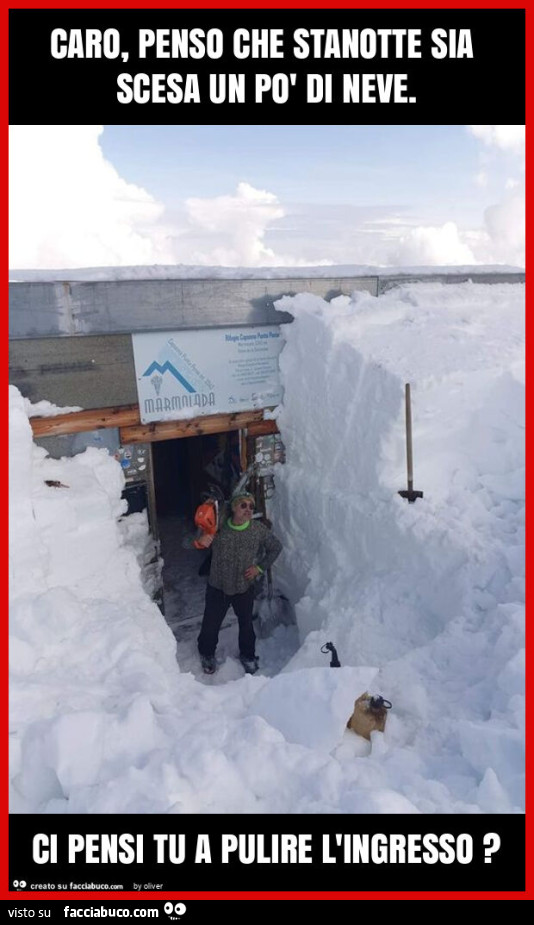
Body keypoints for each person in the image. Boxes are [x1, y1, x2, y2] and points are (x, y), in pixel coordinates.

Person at [196, 491, 282, 675]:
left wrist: (259, 568)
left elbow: (276, 547)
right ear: (234, 507)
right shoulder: (217, 527)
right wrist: (200, 541)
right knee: (211, 625)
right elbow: (187, 542)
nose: (248, 510)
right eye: (243, 505)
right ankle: (206, 653)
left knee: (246, 626)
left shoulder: (257, 530)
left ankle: (248, 656)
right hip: (218, 587)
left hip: (243, 587)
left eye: (251, 506)